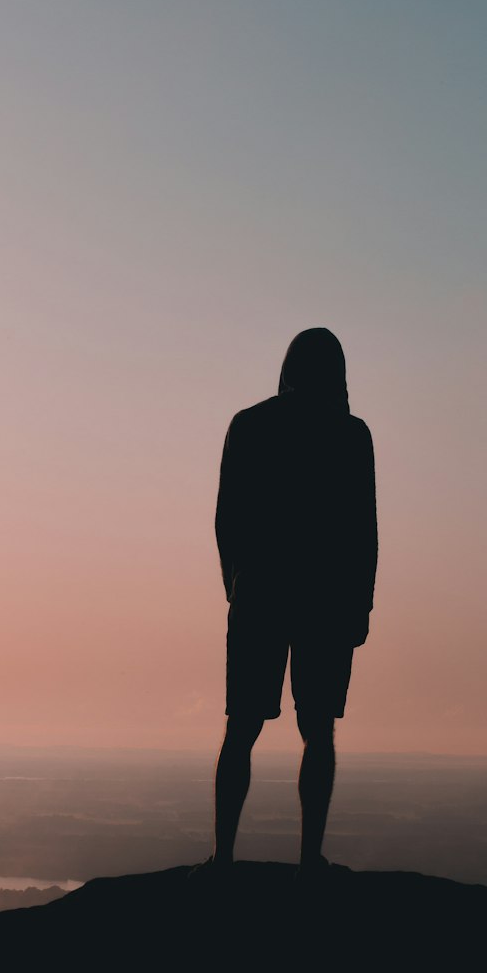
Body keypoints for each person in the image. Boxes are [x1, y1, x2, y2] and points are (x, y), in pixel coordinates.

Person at [201, 327, 377, 878]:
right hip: (325, 598)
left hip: (259, 593)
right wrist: (359, 606)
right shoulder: (350, 434)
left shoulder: (249, 425)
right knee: (318, 729)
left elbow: (226, 519)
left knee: (241, 728)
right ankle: (308, 863)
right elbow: (362, 531)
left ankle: (224, 859)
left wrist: (237, 585)